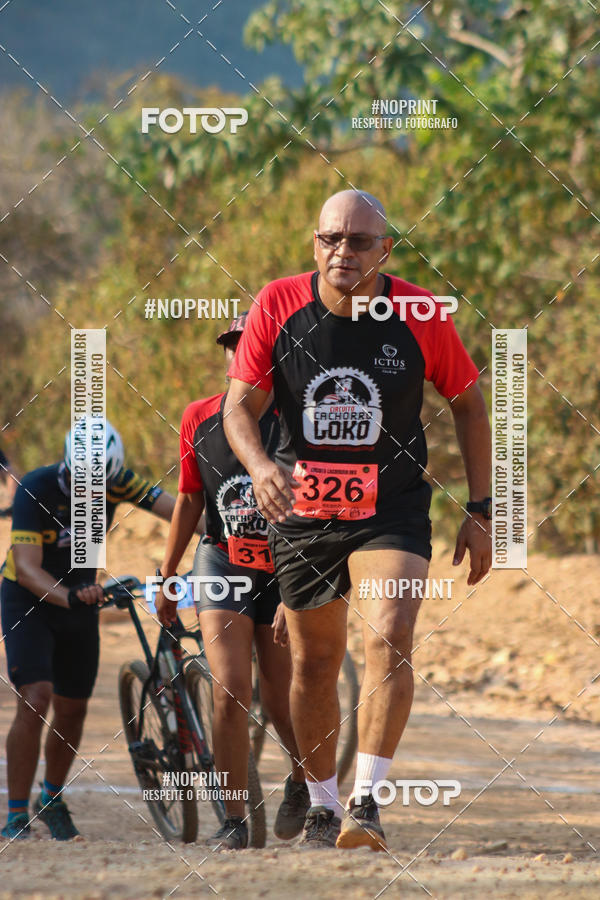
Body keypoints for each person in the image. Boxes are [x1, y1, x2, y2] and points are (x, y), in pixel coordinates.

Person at [223, 189, 492, 850]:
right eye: (329, 239)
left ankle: (366, 805)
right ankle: (320, 804)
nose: (342, 252)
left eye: (359, 241)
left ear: (386, 249)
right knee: (315, 664)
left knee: (390, 635)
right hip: (303, 510)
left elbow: (469, 406)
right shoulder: (278, 303)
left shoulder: (420, 310)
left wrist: (483, 510)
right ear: (314, 242)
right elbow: (239, 408)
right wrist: (259, 467)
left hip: (390, 508)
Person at [155, 314, 308, 850]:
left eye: (250, 347)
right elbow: (191, 499)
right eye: (230, 347)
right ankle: (235, 820)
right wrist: (169, 573)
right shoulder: (199, 417)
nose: (237, 355)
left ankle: (299, 780)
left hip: (286, 568)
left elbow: (319, 510)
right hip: (220, 563)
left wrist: (302, 588)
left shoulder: (299, 418)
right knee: (230, 692)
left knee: (282, 696)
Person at [1, 421, 178, 841]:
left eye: (103, 486)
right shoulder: (36, 488)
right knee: (36, 697)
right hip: (28, 598)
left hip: (82, 595)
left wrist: (227, 539)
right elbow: (26, 568)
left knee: (72, 708)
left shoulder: (118, 480)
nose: (95, 494)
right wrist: (72, 599)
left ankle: (51, 799)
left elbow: (181, 510)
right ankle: (14, 813)